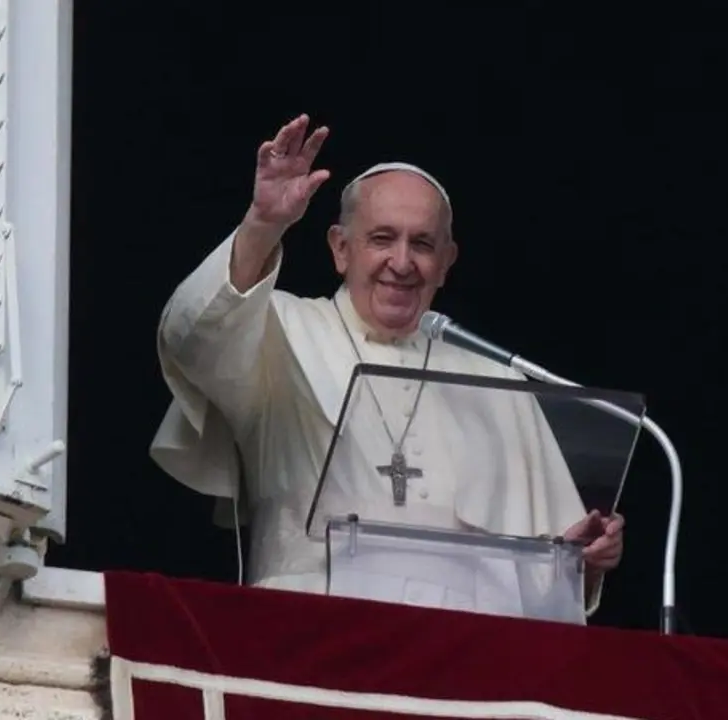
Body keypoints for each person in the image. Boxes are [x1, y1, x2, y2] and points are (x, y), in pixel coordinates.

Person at [150, 114, 624, 615]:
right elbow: (191, 336)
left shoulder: (496, 380)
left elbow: (542, 585)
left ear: (447, 261)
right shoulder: (279, 331)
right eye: (382, 238)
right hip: (309, 634)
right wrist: (263, 225)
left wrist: (580, 563)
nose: (402, 262)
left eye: (422, 244)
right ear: (340, 248)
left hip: (466, 658)